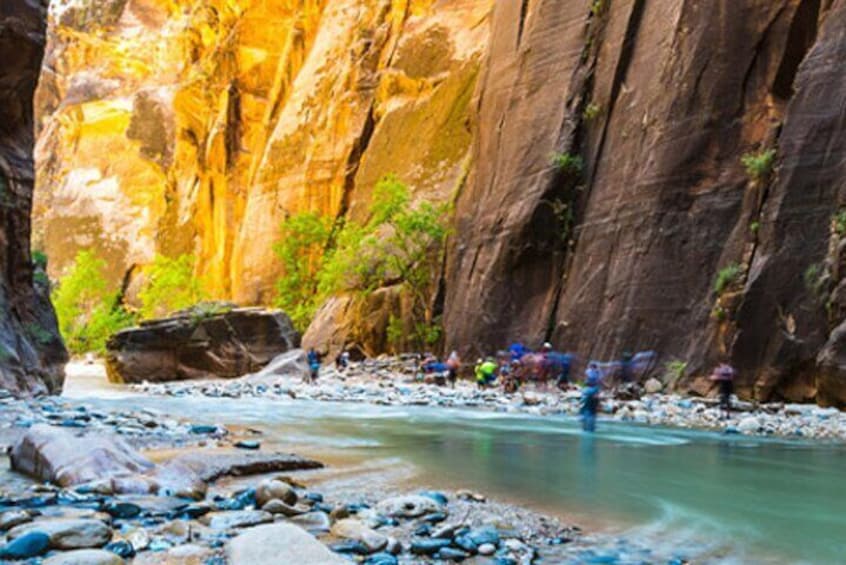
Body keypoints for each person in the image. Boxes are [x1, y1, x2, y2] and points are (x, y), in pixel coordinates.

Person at [581, 363, 602, 432]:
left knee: (586, 409)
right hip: (594, 391)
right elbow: (599, 381)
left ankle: (585, 426)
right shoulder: (597, 373)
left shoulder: (588, 372)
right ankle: (591, 427)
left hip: (589, 391)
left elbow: (586, 382)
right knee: (593, 410)